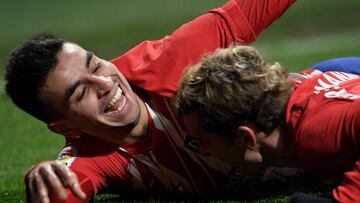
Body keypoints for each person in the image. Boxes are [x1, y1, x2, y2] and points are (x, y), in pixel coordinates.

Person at [4, 1, 297, 202]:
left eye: (95, 65)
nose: (105, 84)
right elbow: (61, 191)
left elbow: (253, 8)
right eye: (81, 93)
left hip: (324, 92)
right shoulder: (92, 159)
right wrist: (40, 180)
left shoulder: (171, 59)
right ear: (63, 126)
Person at [175, 45, 360, 202]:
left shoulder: (313, 132)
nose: (203, 151)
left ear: (246, 137)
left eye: (203, 141)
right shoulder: (313, 81)